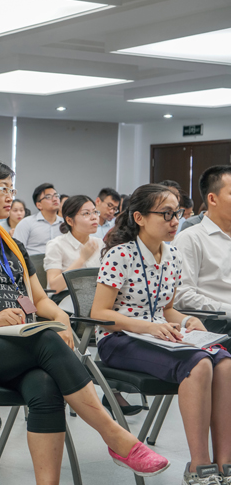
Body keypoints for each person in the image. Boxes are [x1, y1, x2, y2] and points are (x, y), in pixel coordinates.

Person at [0, 159, 169, 482]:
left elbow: (37, 299)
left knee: (44, 385)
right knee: (43, 340)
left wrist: (59, 317)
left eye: (12, 189)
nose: (10, 195)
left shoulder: (13, 246)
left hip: (12, 340)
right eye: (2, 189)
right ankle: (116, 437)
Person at [91, 183, 231, 485]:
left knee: (226, 362)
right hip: (119, 340)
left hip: (158, 336)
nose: (174, 221)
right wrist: (149, 326)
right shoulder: (120, 255)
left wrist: (188, 320)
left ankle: (226, 463)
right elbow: (100, 315)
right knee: (199, 363)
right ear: (139, 217)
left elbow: (165, 310)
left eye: (177, 213)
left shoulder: (172, 256)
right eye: (166, 214)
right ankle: (199, 466)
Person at [174, 165, 231, 335]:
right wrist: (228, 309)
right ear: (212, 199)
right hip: (215, 323)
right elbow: (181, 296)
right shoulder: (191, 238)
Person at [44, 195, 104, 298]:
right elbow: (53, 288)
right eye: (86, 213)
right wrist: (82, 259)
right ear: (70, 221)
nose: (94, 217)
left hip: (94, 297)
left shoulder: (100, 243)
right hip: (67, 299)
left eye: (95, 212)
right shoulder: (56, 245)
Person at [12, 183, 63, 255]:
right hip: (33, 264)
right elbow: (16, 251)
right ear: (39, 205)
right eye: (48, 197)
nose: (55, 199)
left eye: (56, 196)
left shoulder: (65, 224)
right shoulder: (26, 223)